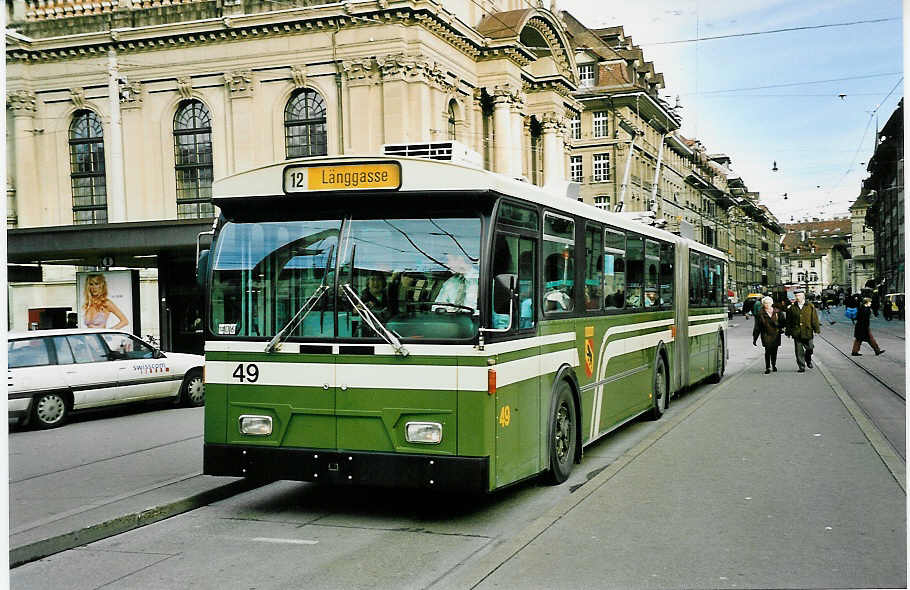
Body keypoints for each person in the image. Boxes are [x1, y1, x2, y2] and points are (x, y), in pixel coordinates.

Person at [786, 289, 820, 373]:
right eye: (796, 296)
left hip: (807, 331)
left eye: (799, 295)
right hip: (796, 332)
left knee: (810, 347)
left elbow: (814, 318)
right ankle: (801, 366)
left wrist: (816, 329)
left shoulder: (810, 306)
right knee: (799, 350)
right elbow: (789, 320)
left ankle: (808, 359)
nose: (798, 297)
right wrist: (788, 331)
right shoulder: (792, 308)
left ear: (803, 296)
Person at [753, 296, 783, 374]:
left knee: (774, 351)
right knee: (768, 350)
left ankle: (773, 364)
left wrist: (782, 328)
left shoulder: (777, 312)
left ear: (772, 303)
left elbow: (783, 322)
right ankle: (768, 367)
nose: (767, 304)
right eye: (765, 303)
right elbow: (757, 326)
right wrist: (755, 338)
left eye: (769, 303)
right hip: (765, 334)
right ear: (763, 304)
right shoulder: (760, 313)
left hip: (776, 334)